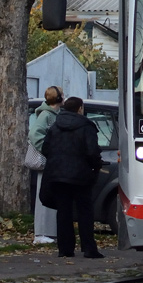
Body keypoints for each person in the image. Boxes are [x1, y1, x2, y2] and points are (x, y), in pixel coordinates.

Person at [41, 96, 104, 258]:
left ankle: (65, 249)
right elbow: (92, 151)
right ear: (80, 108)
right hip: (81, 175)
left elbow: (45, 148)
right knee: (85, 211)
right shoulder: (86, 126)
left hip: (57, 175)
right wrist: (96, 165)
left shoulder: (55, 126)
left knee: (63, 212)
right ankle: (89, 248)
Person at [29, 85, 64, 245]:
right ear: (58, 98)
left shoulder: (52, 114)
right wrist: (48, 150)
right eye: (62, 94)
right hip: (47, 161)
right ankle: (41, 233)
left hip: (52, 161)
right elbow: (35, 133)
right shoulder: (46, 115)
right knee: (43, 195)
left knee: (49, 194)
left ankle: (48, 231)